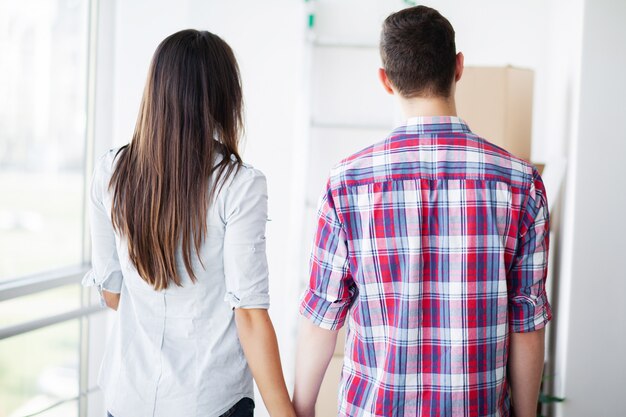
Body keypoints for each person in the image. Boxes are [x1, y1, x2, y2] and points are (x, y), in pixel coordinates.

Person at [292, 6, 551, 417]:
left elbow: (322, 317)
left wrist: (299, 411)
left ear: (385, 80)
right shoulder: (520, 183)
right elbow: (528, 326)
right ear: (459, 67)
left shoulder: (348, 183)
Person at [83, 29, 295, 417]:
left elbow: (111, 294)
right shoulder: (239, 185)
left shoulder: (110, 173)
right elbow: (249, 313)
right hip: (209, 399)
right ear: (224, 97)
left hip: (126, 397)